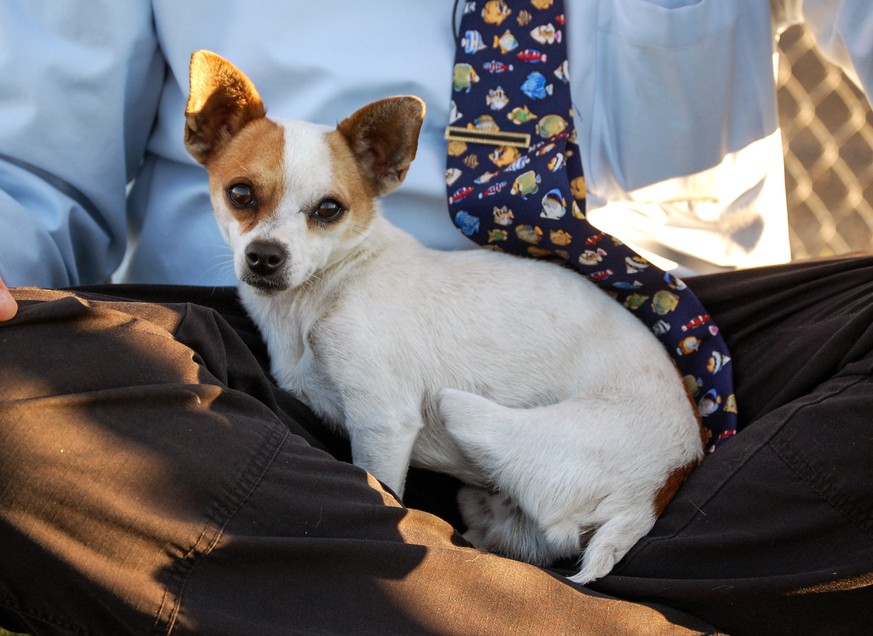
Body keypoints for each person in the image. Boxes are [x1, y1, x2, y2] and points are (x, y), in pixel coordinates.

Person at [1, 1, 872, 634]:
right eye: (246, 199)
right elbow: (26, 171)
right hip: (242, 372)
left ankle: (395, 594)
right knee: (16, 383)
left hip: (689, 347)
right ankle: (610, 610)